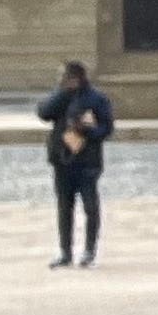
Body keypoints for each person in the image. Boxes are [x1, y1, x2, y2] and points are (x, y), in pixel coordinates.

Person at [34, 60, 112, 267]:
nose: (61, 80)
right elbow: (43, 112)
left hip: (87, 161)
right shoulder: (61, 97)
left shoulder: (96, 99)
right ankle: (65, 251)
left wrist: (87, 130)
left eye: (65, 77)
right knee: (64, 207)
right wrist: (61, 94)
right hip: (62, 159)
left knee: (90, 207)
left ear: (76, 78)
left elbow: (107, 128)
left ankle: (89, 251)